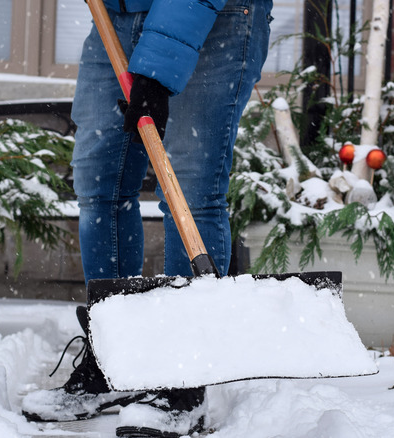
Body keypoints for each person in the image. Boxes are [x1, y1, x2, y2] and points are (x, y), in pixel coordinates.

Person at [22, 0, 272, 436]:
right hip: (117, 14)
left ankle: (182, 373)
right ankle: (116, 356)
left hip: (215, 17)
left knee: (191, 186)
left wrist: (157, 70)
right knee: (100, 181)